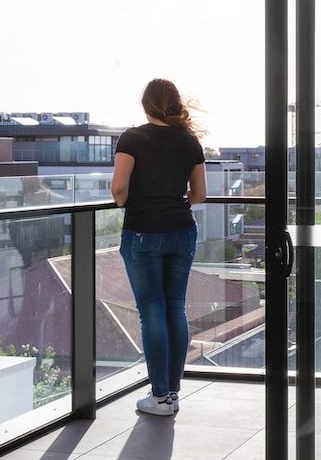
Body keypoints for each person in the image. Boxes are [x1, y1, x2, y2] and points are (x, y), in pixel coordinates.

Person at [111, 78, 207, 416]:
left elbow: (119, 188)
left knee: (152, 312)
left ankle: (159, 396)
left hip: (143, 233)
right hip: (182, 231)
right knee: (174, 309)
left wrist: (128, 202)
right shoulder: (189, 141)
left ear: (146, 105)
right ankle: (172, 394)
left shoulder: (131, 138)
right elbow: (198, 194)